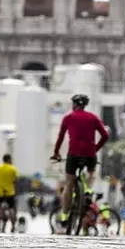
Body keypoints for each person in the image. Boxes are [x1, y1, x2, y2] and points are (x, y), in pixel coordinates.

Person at [51, 94, 109, 227]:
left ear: (74, 104)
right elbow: (105, 135)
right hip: (90, 154)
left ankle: (65, 214)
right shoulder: (93, 117)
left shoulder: (68, 117)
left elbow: (60, 137)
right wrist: (95, 148)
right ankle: (88, 190)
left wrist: (56, 153)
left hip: (73, 154)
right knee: (92, 172)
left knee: (69, 183)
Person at [0, 154, 19, 233]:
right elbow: (16, 180)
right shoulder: (13, 168)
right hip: (10, 192)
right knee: (11, 209)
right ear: (9, 159)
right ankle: (13, 227)